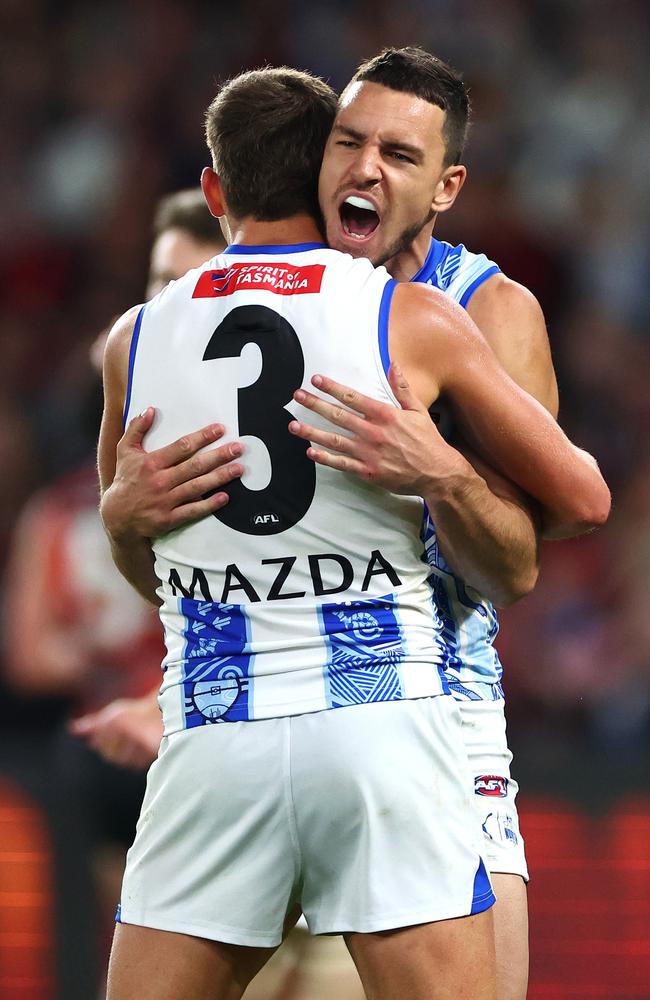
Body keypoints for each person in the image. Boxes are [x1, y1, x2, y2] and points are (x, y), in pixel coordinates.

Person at [96, 50, 610, 1000]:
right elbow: (177, 561)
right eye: (348, 142)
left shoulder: (483, 310)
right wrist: (124, 523)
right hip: (282, 715)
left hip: (443, 712)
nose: (365, 169)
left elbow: (522, 564)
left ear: (445, 186)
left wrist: (443, 475)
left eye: (398, 155)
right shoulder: (290, 304)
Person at [68, 188, 226, 768]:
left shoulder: (263, 448)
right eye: (162, 285)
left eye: (194, 286)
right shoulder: (109, 412)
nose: (172, 309)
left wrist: (162, 709)